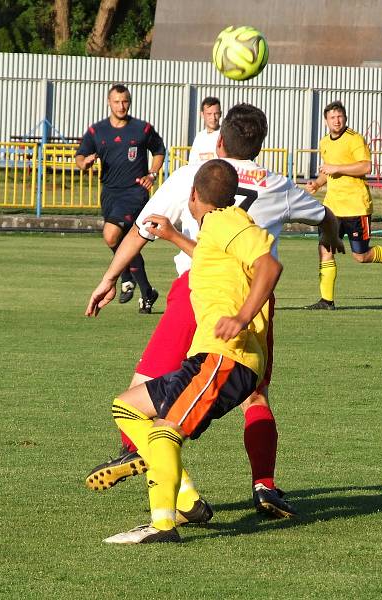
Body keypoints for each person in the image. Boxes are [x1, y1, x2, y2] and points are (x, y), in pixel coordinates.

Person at [84, 103, 344, 519]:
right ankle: (265, 486)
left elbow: (143, 228)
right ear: (259, 145)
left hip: (197, 289)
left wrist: (110, 278)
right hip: (252, 300)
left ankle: (151, 464)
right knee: (254, 393)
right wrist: (331, 240)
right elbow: (327, 216)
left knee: (144, 389)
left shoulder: (195, 176)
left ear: (219, 141)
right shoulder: (276, 184)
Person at [102, 159, 283, 544]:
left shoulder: (227, 221)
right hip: (210, 357)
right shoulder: (218, 229)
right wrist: (171, 236)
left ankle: (163, 525)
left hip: (225, 357)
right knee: (127, 406)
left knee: (166, 431)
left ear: (194, 195)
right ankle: (184, 496)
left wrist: (241, 316)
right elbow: (210, 258)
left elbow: (269, 266)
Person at [304, 100, 382, 310]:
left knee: (361, 256)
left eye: (340, 116)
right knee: (325, 249)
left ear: (345, 118)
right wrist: (318, 183)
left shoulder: (355, 139)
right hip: (332, 208)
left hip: (356, 207)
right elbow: (326, 171)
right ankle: (326, 301)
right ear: (326, 121)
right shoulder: (324, 142)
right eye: (332, 118)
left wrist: (337, 168)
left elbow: (365, 166)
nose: (337, 121)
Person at [75, 83, 166, 314]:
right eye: (117, 101)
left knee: (111, 234)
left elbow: (159, 150)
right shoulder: (98, 131)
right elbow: (80, 156)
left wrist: (152, 174)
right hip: (109, 193)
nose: (121, 105)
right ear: (109, 102)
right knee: (126, 242)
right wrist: (84, 163)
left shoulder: (141, 129)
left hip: (135, 192)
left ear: (130, 102)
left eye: (125, 101)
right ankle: (147, 292)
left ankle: (125, 277)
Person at [187, 96, 222, 164]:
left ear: (220, 114)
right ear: (202, 114)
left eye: (216, 114)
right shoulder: (199, 137)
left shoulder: (224, 135)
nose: (213, 118)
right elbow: (192, 163)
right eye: (209, 114)